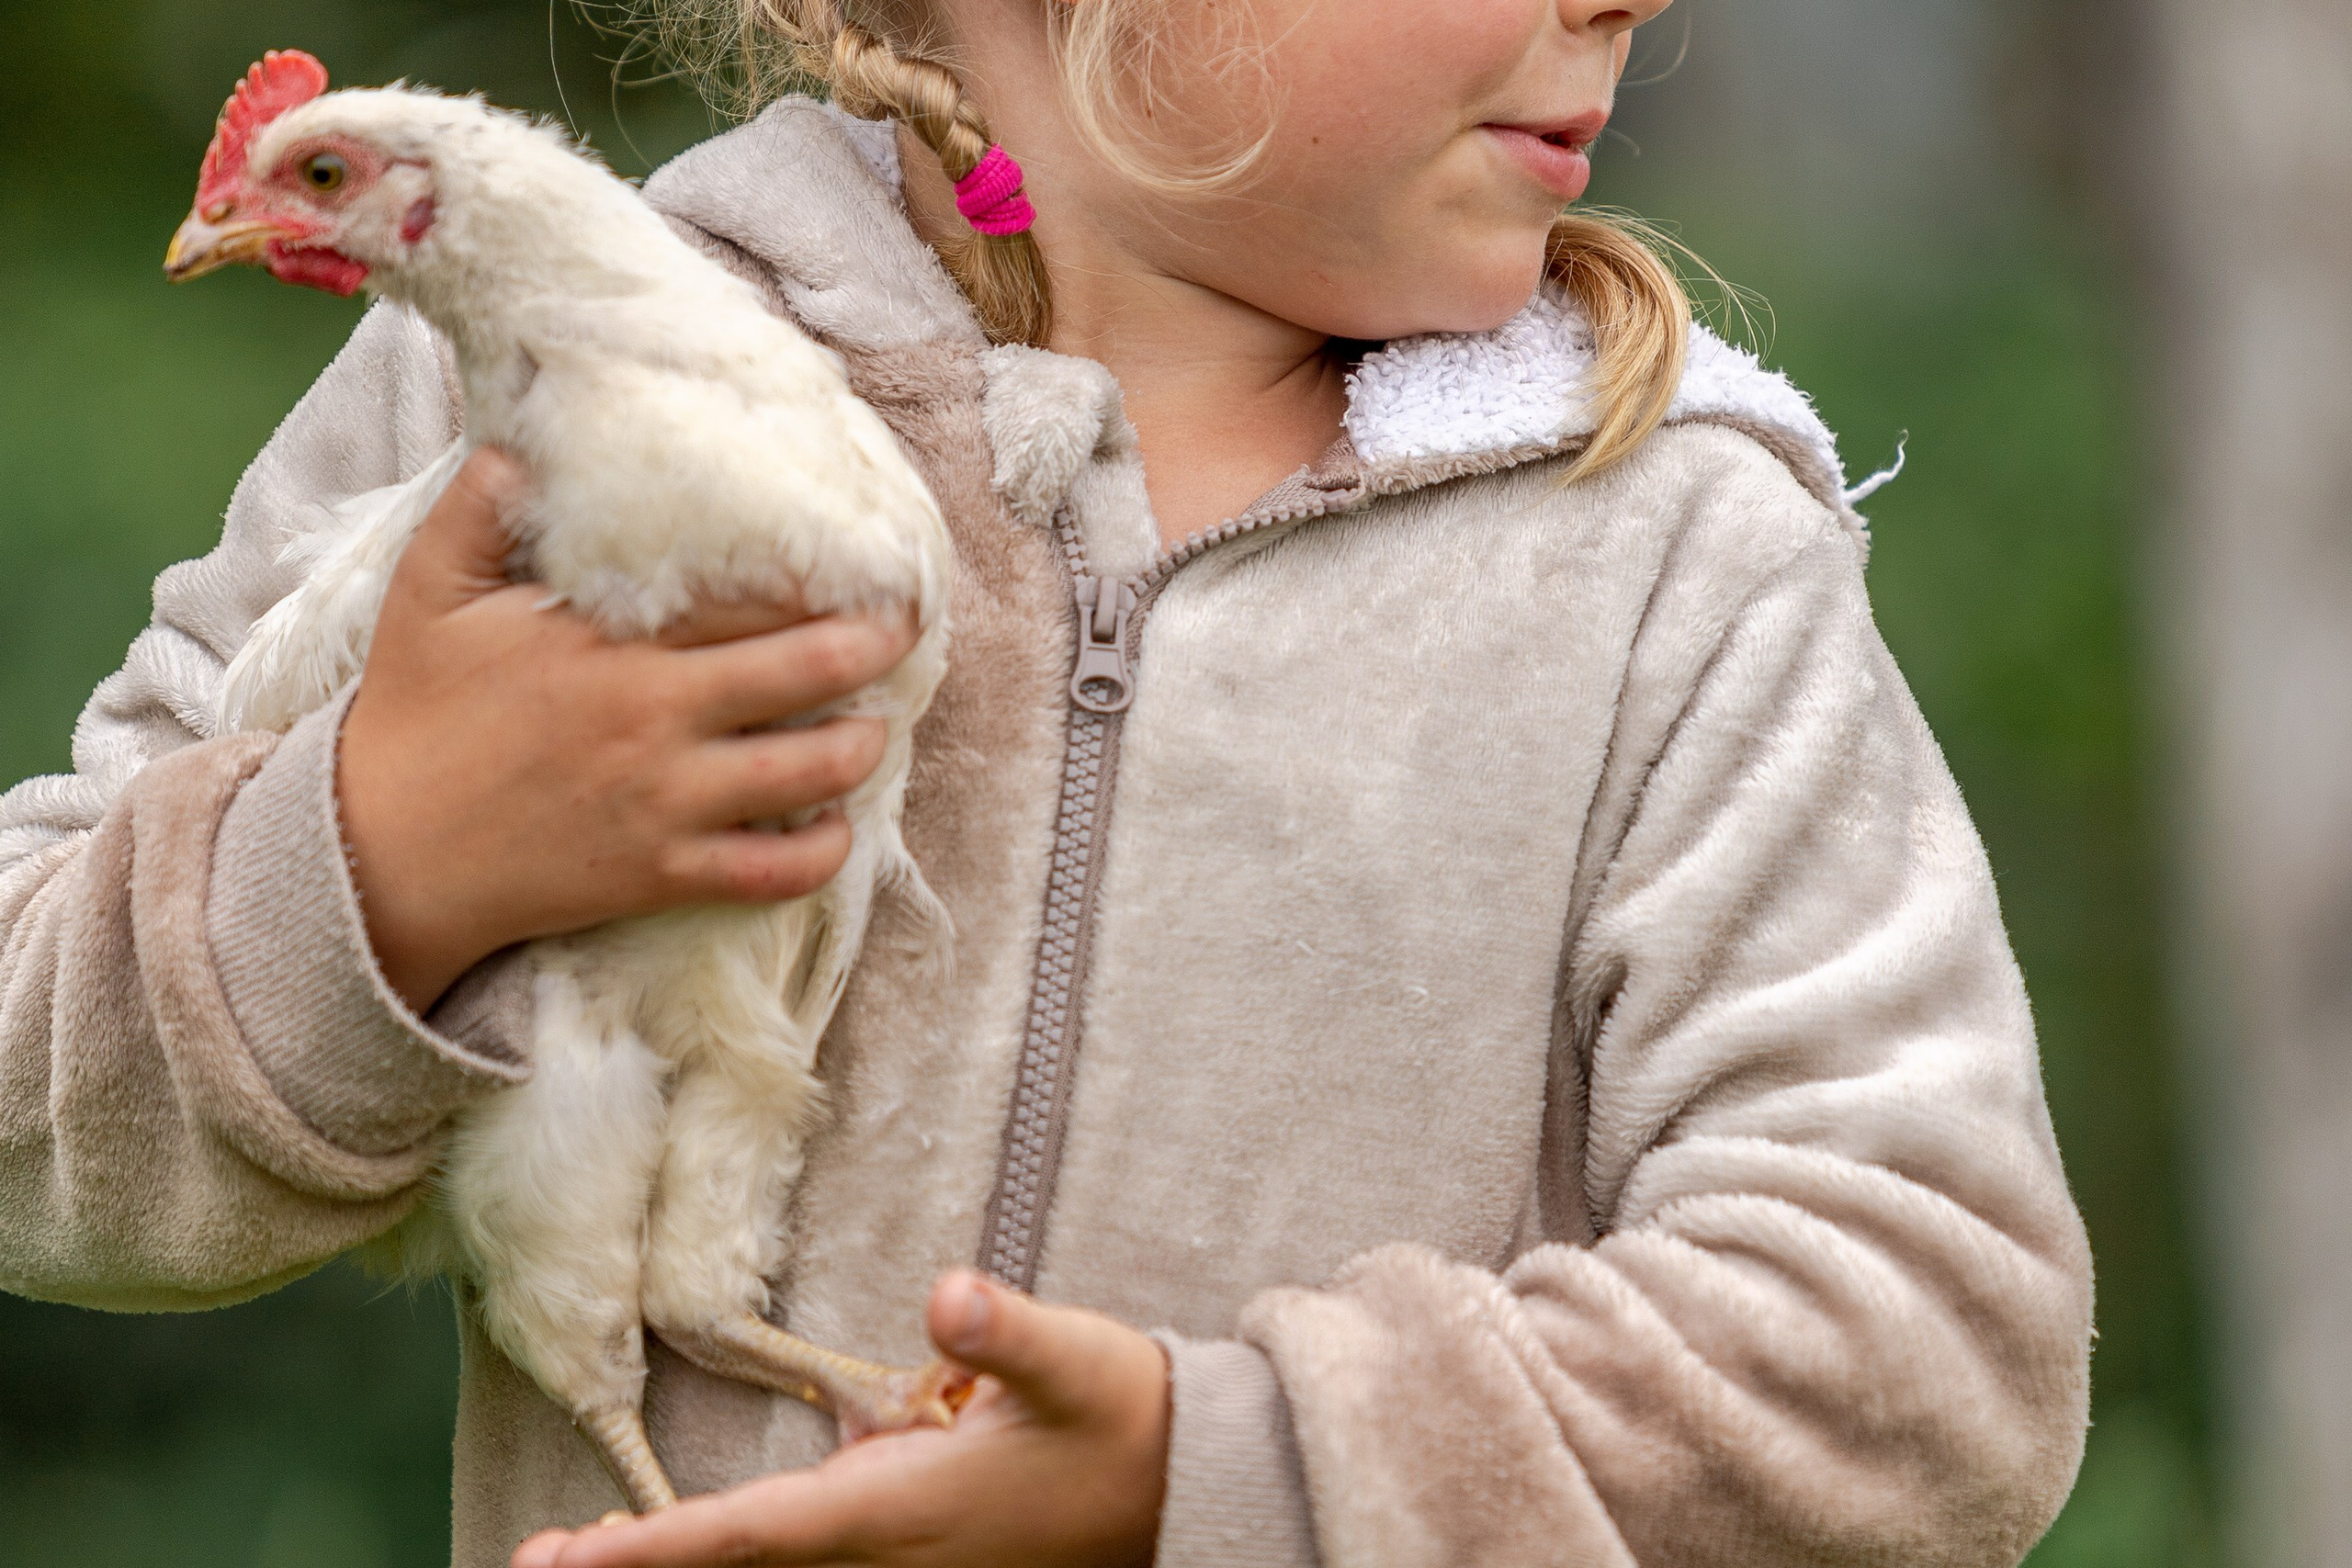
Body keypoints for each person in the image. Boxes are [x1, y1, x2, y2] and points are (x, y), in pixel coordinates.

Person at [0, 1, 2095, 1564]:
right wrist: (386, 853)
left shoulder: (1666, 560)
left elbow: (1928, 1348)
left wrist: (1230, 1470)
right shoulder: (515, 382)